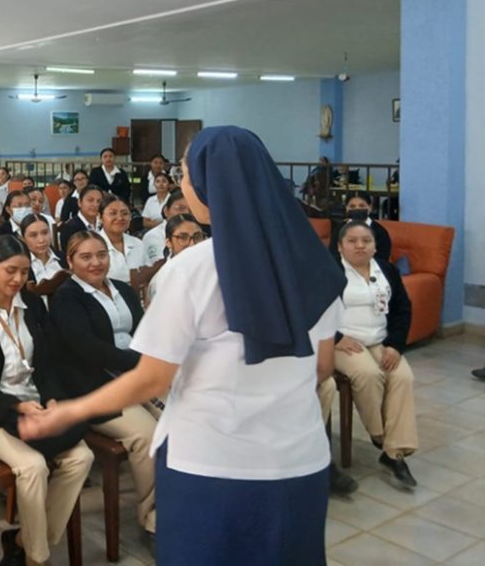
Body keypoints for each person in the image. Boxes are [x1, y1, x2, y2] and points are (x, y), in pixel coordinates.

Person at [21, 126, 345, 565]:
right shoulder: (314, 262)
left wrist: (70, 411)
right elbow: (323, 365)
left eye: (185, 176)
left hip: (211, 464)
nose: (181, 185)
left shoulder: (193, 269)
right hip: (298, 460)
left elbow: (152, 377)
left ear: (209, 186)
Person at [0, 235, 92, 566]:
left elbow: (51, 363)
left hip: (35, 405)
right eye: (9, 271)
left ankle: (22, 541)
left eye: (24, 272)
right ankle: (37, 558)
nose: (17, 280)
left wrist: (54, 399)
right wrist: (16, 405)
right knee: (32, 467)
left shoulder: (32, 306)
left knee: (81, 457)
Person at [49, 231, 159, 533]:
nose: (96, 263)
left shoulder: (122, 289)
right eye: (85, 257)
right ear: (70, 261)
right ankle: (152, 516)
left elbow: (145, 330)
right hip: (96, 388)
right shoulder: (67, 298)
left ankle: (179, 503)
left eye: (101, 255)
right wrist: (142, 364)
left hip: (137, 378)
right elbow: (88, 349)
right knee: (148, 435)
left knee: (180, 420)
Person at [334, 219, 418, 486]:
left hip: (380, 340)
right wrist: (336, 337)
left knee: (402, 377)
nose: (360, 246)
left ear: (374, 245)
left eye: (366, 241)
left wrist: (395, 345)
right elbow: (314, 311)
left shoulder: (387, 269)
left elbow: (403, 309)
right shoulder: (331, 271)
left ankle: (395, 455)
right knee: (368, 374)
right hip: (343, 343)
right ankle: (380, 436)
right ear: (340, 246)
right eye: (352, 241)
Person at [329, 192, 393, 262]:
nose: (357, 209)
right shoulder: (340, 229)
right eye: (352, 206)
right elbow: (333, 254)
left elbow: (382, 258)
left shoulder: (380, 231)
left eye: (362, 206)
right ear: (346, 208)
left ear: (370, 207)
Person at [96, 194, 146, 283]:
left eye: (125, 213)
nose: (120, 218)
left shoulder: (138, 244)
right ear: (100, 217)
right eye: (113, 213)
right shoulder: (92, 245)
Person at [141, 189, 190, 267]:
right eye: (180, 208)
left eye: (191, 211)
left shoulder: (198, 233)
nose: (186, 213)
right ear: (166, 211)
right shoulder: (153, 236)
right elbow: (162, 266)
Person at [20, 214, 65, 282]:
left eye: (45, 233)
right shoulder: (21, 265)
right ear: (23, 239)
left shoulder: (63, 258)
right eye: (33, 235)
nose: (41, 240)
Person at [58, 184, 102, 251]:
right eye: (90, 200)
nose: (95, 204)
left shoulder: (105, 224)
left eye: (99, 201)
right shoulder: (69, 228)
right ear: (79, 202)